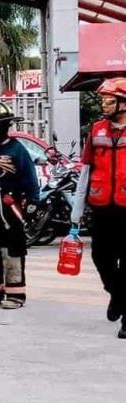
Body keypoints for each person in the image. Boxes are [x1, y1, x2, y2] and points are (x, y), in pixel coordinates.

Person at [71, 77, 126, 339]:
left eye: (109, 100)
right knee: (101, 258)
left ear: (124, 104)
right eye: (103, 100)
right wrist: (76, 212)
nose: (104, 105)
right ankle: (116, 294)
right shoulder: (96, 131)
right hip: (102, 207)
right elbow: (85, 172)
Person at [0, 103, 39, 309]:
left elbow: (30, 178)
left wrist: (32, 201)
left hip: (10, 207)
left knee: (11, 251)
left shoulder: (16, 150)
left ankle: (15, 296)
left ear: (3, 125)